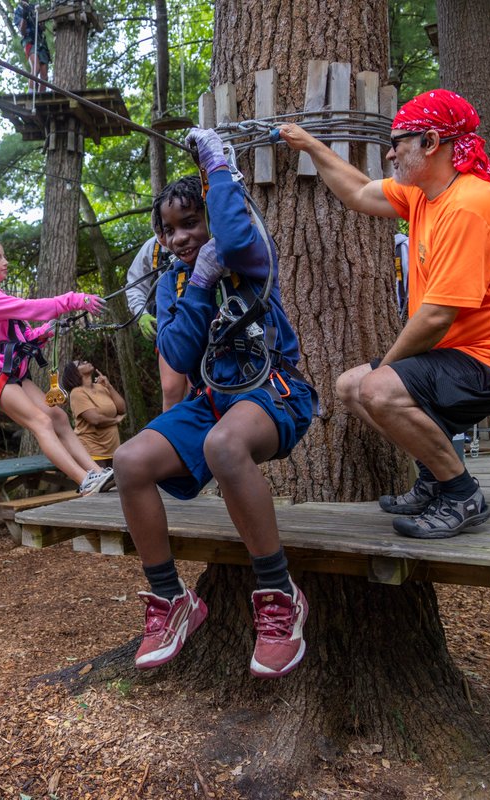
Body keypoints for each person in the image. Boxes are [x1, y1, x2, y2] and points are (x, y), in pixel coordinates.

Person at [278, 88, 490, 540]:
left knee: (377, 389)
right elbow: (360, 192)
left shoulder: (469, 206)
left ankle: (462, 494)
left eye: (398, 140)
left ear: (431, 142)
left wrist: (386, 368)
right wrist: (311, 146)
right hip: (465, 353)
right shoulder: (427, 193)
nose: (390, 152)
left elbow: (437, 317)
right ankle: (434, 478)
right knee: (351, 386)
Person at [113, 129, 317, 679]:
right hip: (214, 397)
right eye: (169, 230)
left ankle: (278, 595)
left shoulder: (251, 253)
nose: (179, 238)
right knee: (129, 461)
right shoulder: (175, 282)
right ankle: (170, 599)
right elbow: (178, 353)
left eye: (190, 223)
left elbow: (229, 232)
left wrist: (216, 166)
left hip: (273, 389)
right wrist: (196, 285)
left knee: (224, 446)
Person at [0, 236, 114, 496]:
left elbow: (17, 337)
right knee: (41, 421)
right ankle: (85, 480)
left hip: (12, 373)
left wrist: (47, 331)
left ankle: (97, 472)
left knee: (58, 417)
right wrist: (74, 299)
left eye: (4, 256)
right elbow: (29, 308)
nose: (5, 262)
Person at [125, 236, 189, 410]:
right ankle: (170, 435)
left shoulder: (201, 233)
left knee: (197, 390)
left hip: (205, 321)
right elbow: (135, 284)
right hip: (170, 324)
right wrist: (141, 314)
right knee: (170, 390)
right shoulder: (154, 246)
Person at [59, 359, 126, 465]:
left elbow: (122, 409)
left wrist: (109, 386)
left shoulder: (101, 387)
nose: (85, 361)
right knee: (103, 482)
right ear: (75, 373)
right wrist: (115, 420)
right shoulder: (77, 393)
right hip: (93, 452)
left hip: (113, 450)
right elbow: (95, 419)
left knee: (119, 481)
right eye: (80, 363)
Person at [13, 0, 50, 89]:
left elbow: (42, 28)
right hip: (29, 40)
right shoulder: (19, 10)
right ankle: (30, 95)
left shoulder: (33, 8)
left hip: (40, 42)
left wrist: (41, 20)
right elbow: (22, 31)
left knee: (44, 76)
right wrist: (24, 16)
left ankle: (42, 99)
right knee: (35, 67)